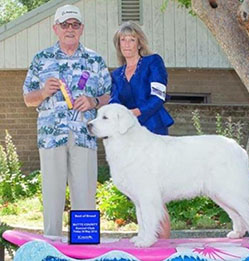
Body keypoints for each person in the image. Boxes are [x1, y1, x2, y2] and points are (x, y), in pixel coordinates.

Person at [23, 4, 111, 241]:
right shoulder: (41, 59)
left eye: (74, 24)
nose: (69, 29)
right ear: (55, 29)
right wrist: (42, 92)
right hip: (51, 137)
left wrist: (93, 100)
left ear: (81, 29)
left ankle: (85, 248)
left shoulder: (95, 60)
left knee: (85, 196)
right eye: (64, 25)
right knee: (52, 197)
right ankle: (50, 248)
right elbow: (27, 99)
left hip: (84, 135)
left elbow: (110, 96)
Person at [110, 21, 174, 238]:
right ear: (118, 45)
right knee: (140, 193)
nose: (127, 44)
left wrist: (133, 113)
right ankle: (147, 236)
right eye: (123, 40)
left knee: (156, 192)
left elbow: (158, 96)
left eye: (131, 39)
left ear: (139, 43)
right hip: (130, 137)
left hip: (154, 129)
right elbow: (115, 103)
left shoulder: (153, 62)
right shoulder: (116, 75)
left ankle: (162, 243)